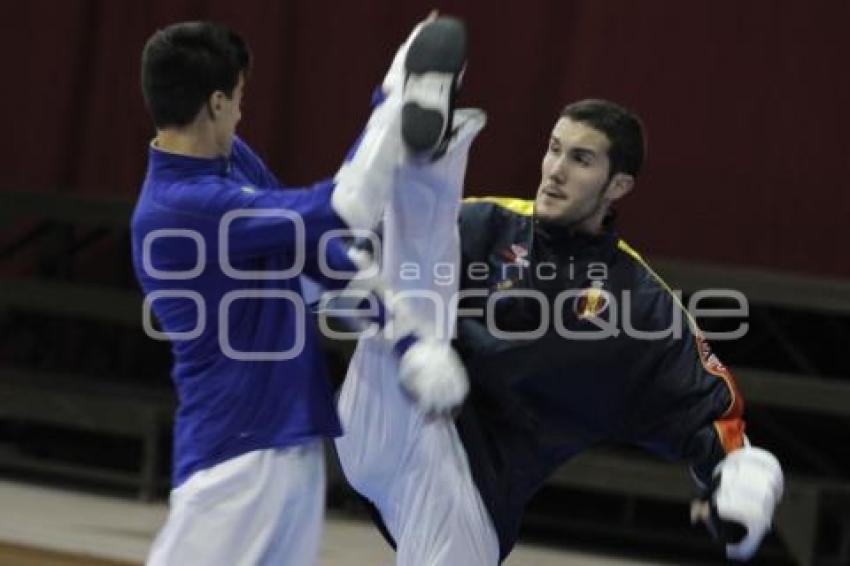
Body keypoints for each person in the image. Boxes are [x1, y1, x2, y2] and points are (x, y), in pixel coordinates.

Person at [335, 94, 784, 563]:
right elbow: (356, 261)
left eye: (580, 159)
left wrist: (743, 483)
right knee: (415, 252)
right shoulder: (483, 225)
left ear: (619, 185)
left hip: (470, 496)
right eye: (553, 149)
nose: (555, 169)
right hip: (394, 416)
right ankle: (426, 140)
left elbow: (713, 416)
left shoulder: (641, 306)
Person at [131, 18, 472, 565]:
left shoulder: (230, 162)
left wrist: (410, 341)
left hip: (289, 451)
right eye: (238, 98)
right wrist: (396, 94)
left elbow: (325, 256)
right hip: (234, 458)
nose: (241, 111)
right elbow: (342, 211)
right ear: (217, 102)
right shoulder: (179, 207)